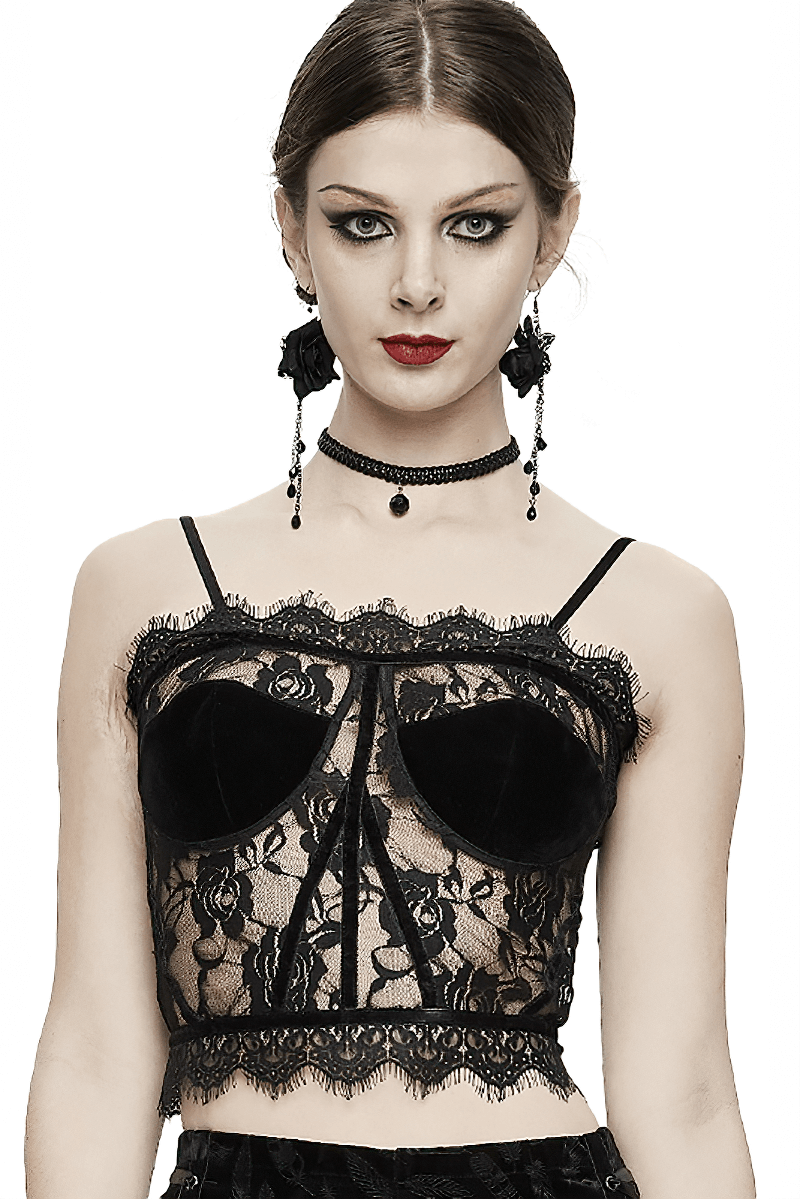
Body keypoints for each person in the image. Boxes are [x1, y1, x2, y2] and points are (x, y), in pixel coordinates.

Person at [24, 1, 757, 1196]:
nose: (417, 283)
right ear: (290, 230)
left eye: (475, 225)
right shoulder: (144, 588)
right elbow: (98, 1052)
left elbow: (680, 1090)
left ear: (552, 233)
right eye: (362, 224)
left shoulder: (656, 612)